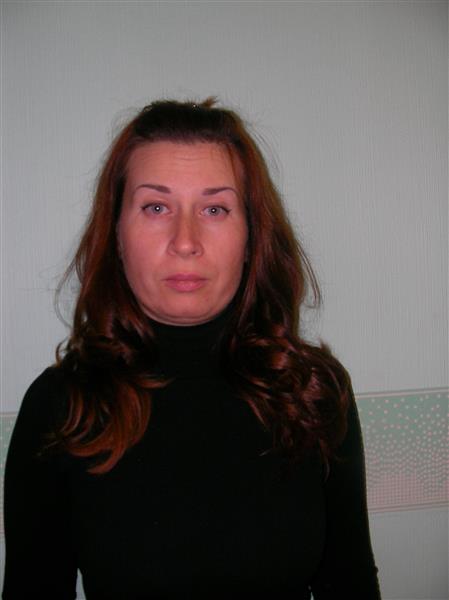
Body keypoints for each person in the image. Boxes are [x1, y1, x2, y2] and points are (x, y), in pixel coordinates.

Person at [3, 98, 381, 599]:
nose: (186, 241)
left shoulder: (312, 392)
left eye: (215, 209)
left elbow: (351, 584)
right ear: (117, 234)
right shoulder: (60, 407)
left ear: (251, 238)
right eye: (156, 207)